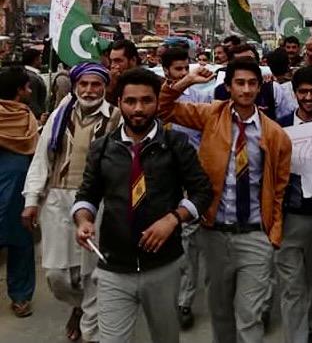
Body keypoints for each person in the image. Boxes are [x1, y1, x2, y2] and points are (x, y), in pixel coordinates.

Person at [70, 68, 213, 343]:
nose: (138, 109)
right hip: (113, 268)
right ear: (119, 103)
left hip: (164, 267)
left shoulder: (175, 145)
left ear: (158, 102)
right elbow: (87, 195)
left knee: (165, 337)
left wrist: (173, 218)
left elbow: (201, 192)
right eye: (130, 101)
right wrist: (84, 221)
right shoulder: (102, 149)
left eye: (147, 101)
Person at [158, 57, 293, 343]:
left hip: (256, 235)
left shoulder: (276, 135)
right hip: (214, 233)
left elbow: (279, 189)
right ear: (229, 87)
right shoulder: (210, 115)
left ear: (259, 87)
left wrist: (274, 234)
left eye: (252, 83)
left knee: (250, 317)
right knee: (220, 315)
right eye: (239, 83)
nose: (246, 89)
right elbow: (163, 109)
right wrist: (187, 82)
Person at [21, 62, 119, 342]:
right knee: (57, 274)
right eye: (84, 85)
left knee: (93, 271)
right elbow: (42, 158)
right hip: (57, 200)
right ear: (76, 86)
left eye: (96, 84)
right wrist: (31, 200)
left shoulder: (115, 118)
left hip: (97, 204)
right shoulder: (59, 116)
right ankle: (77, 306)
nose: (89, 90)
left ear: (104, 87)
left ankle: (91, 330)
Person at [276, 66, 312, 343]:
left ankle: (310, 330)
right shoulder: (278, 126)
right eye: (303, 92)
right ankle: (297, 337)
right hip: (289, 217)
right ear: (295, 93)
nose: (309, 97)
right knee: (291, 285)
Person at [160, 47, 212, 329]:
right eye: (177, 69)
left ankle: (184, 301)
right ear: (166, 69)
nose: (182, 73)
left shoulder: (201, 96)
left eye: (185, 68)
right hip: (159, 177)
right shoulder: (155, 95)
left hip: (191, 176)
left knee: (188, 241)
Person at [0, 67, 38, 319]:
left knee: (21, 244)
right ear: (18, 90)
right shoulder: (24, 118)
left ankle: (21, 296)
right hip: (9, 188)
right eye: (27, 86)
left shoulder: (28, 117)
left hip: (20, 193)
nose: (31, 91)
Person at [22, 48, 47, 120]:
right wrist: (39, 114)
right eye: (40, 58)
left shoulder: (29, 74)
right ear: (35, 59)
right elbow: (32, 100)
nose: (41, 61)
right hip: (35, 117)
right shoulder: (31, 77)